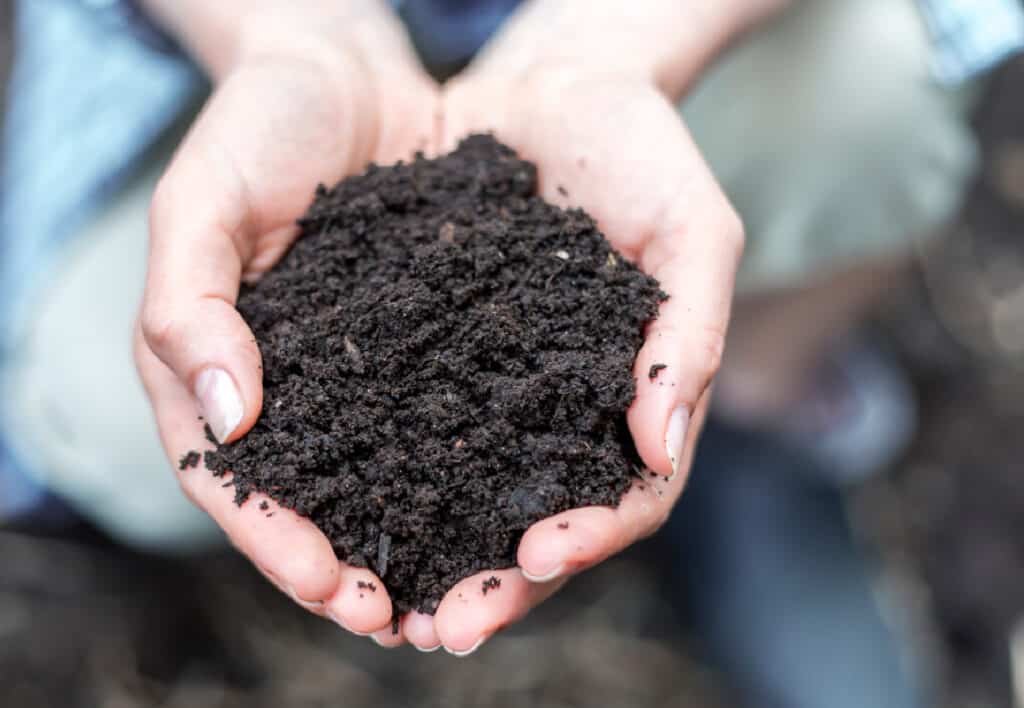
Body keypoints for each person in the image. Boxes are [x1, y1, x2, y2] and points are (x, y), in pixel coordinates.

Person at [0, 0, 1019, 697]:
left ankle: (749, 404)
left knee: (875, 101)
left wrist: (611, 45)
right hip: (235, 61)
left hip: (642, 30)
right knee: (110, 403)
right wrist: (286, 39)